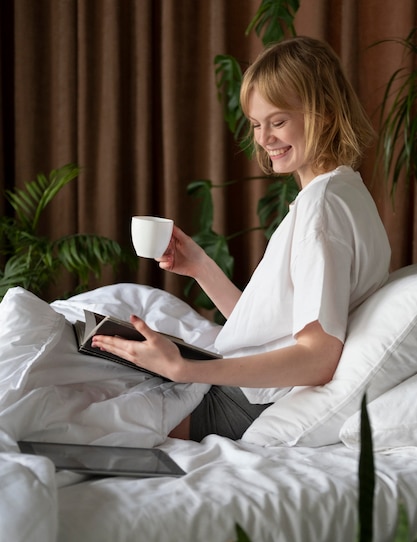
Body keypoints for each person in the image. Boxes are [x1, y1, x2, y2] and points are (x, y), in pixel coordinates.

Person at [92, 36, 391, 442]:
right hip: (248, 390)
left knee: (79, 408)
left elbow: (318, 357)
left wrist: (185, 369)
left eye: (278, 121)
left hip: (246, 403)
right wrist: (199, 266)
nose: (264, 138)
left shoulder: (321, 210)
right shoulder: (345, 191)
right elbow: (275, 328)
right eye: (256, 124)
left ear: (323, 114)